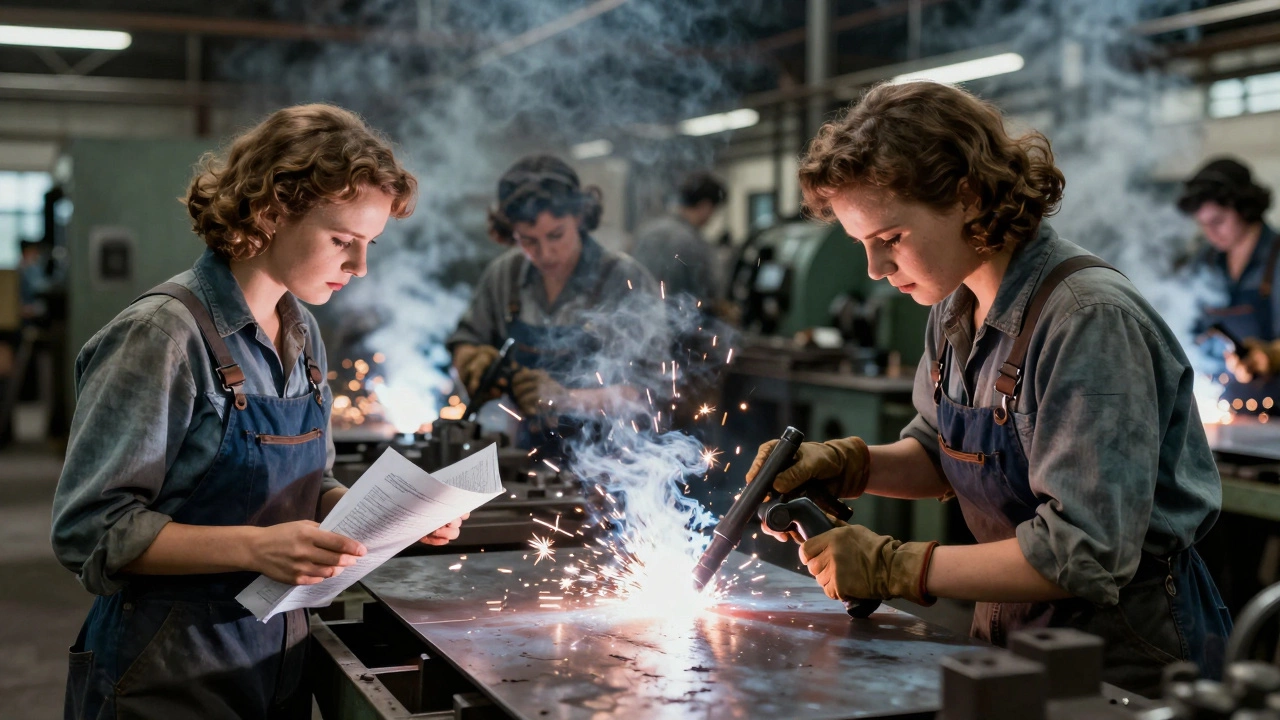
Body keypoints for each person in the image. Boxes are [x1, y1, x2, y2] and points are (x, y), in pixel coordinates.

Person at [746, 81, 1230, 696]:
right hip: (1005, 628)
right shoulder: (954, 306)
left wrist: (895, 567)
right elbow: (942, 453)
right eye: (860, 245)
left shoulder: (1087, 320)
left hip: (1125, 654)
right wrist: (852, 465)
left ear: (967, 196)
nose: (874, 270)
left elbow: (1084, 550)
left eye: (890, 239)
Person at [52, 104, 467, 720]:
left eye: (369, 244)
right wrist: (257, 548)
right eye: (341, 241)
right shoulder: (162, 336)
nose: (359, 267)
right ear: (271, 212)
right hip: (168, 667)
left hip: (277, 655)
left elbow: (313, 483)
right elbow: (90, 531)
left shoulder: (303, 332)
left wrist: (386, 516)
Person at [446, 155, 662, 448]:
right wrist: (471, 361)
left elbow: (651, 390)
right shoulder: (505, 275)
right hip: (525, 456)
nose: (545, 253)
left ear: (580, 217)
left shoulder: (624, 280)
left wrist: (567, 400)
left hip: (612, 462)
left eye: (556, 235)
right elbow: (467, 339)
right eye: (528, 240)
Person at [1177, 158, 1280, 408]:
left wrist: (1271, 356)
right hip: (1227, 405)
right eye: (1203, 225)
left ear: (1245, 208)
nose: (1211, 233)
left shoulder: (1276, 259)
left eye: (1218, 221)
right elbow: (1190, 329)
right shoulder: (1205, 262)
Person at [630, 171, 726, 308]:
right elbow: (707, 296)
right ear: (706, 207)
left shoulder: (646, 231)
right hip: (682, 323)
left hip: (644, 320)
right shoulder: (694, 244)